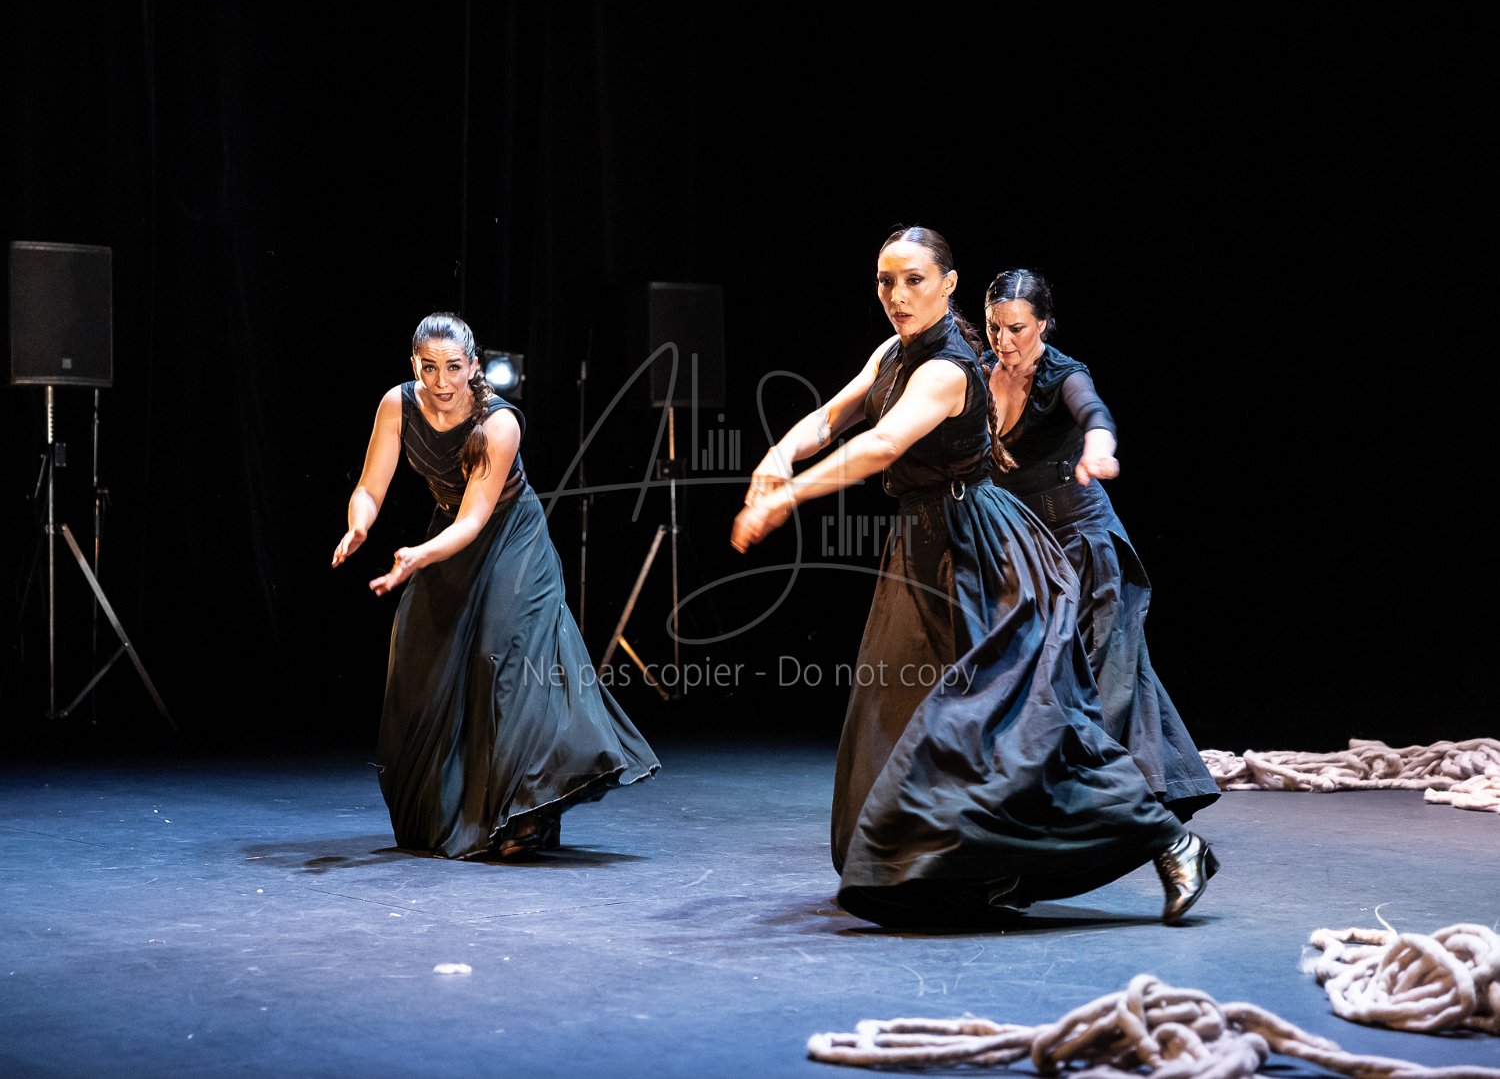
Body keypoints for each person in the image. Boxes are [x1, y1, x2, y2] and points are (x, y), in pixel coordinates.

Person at [730, 227, 1217, 927]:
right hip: (919, 548)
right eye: (886, 281)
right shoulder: (892, 354)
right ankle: (955, 870)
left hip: (979, 551)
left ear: (948, 284)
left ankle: (1170, 840)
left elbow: (882, 443)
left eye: (914, 280)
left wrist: (789, 497)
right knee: (904, 714)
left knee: (1020, 726)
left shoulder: (948, 369)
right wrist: (778, 455)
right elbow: (834, 417)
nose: (897, 295)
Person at [333, 312, 658, 860]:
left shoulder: (498, 423)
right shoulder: (397, 405)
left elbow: (475, 519)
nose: (441, 381)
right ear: (414, 364)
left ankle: (528, 812)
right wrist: (359, 524)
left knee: (503, 659)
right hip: (448, 534)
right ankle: (454, 809)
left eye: (453, 367)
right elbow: (369, 486)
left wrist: (418, 555)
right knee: (418, 655)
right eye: (429, 367)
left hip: (511, 538)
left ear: (473, 366)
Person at [984, 268, 1219, 820]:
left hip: (1081, 540)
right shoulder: (978, 372)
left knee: (1096, 671)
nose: (1004, 340)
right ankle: (1155, 793)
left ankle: (1097, 801)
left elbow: (1093, 412)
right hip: (1025, 545)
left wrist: (1099, 447)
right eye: (995, 326)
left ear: (1043, 324)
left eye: (1017, 328)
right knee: (1069, 670)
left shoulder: (1063, 374)